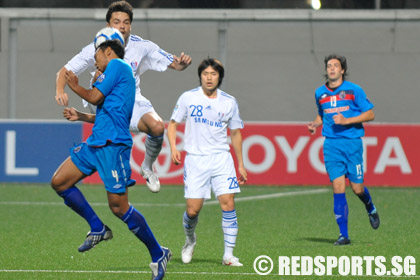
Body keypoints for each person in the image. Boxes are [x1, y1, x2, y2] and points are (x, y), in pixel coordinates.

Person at [51, 27, 171, 280]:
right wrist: (80, 116)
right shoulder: (110, 75)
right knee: (60, 182)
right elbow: (106, 113)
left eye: (97, 54)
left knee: (119, 207)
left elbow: (94, 96)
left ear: (108, 50)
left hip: (113, 146)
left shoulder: (118, 65)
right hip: (97, 143)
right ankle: (97, 227)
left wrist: (74, 85)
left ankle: (157, 252)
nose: (95, 59)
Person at [55, 0, 192, 193]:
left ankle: (147, 167)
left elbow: (175, 64)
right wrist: (60, 90)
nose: (122, 26)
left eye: (126, 22)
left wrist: (182, 64)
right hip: (104, 99)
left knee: (157, 126)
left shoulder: (143, 46)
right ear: (108, 25)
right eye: (117, 21)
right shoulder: (95, 48)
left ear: (130, 26)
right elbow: (64, 71)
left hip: (131, 100)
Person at [167, 58, 247, 266]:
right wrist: (174, 147)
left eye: (213, 74)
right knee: (193, 210)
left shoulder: (229, 101)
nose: (209, 78)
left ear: (219, 77)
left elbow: (236, 133)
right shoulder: (188, 98)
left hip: (221, 158)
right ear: (200, 76)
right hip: (196, 160)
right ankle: (190, 240)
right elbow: (173, 124)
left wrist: (240, 164)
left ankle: (228, 255)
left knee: (228, 204)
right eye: (205, 74)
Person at [307, 54, 380, 246]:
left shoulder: (354, 90)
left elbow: (370, 113)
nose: (331, 69)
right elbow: (322, 114)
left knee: (357, 189)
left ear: (342, 70)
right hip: (331, 145)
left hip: (352, 144)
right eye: (329, 66)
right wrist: (315, 124)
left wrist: (347, 120)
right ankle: (343, 235)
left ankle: (370, 206)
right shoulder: (319, 93)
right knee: (338, 187)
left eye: (335, 66)